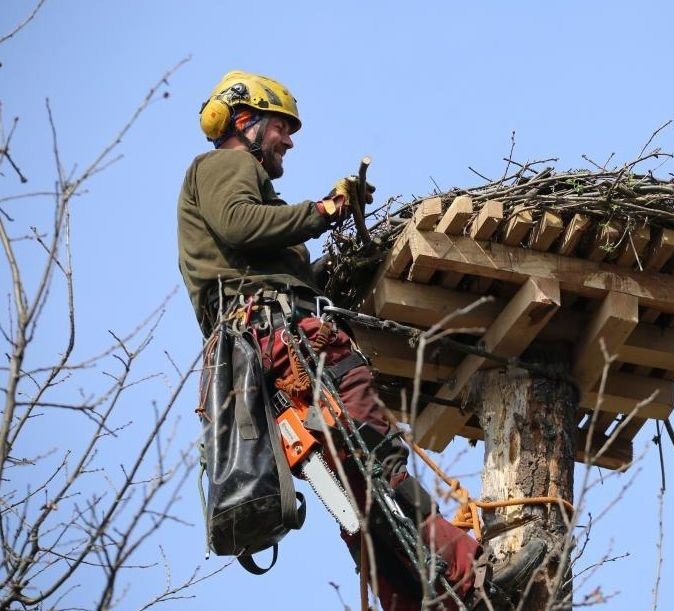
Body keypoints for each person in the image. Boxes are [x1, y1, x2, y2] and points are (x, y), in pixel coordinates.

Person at [177, 70, 542, 610]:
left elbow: (254, 248)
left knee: (356, 490)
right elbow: (239, 223)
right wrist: (326, 209)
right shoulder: (224, 165)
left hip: (258, 362)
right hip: (287, 345)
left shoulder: (239, 239)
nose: (289, 140)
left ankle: (429, 601)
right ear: (245, 121)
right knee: (375, 460)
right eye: (281, 127)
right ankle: (474, 578)